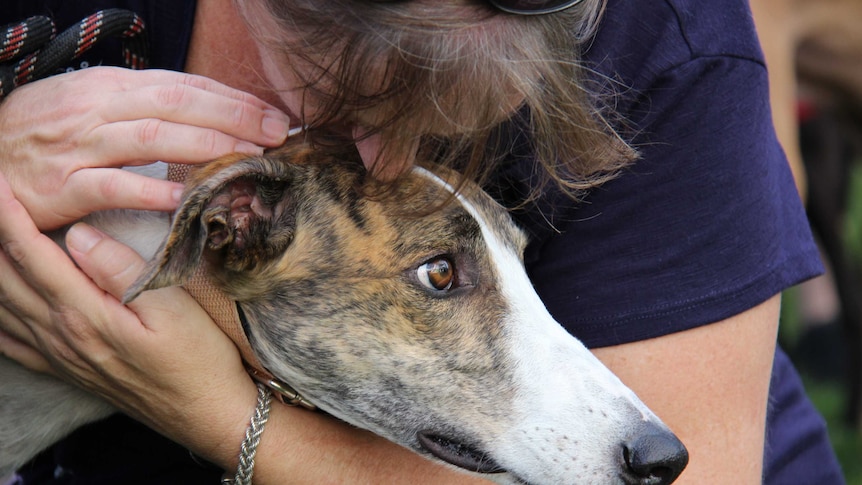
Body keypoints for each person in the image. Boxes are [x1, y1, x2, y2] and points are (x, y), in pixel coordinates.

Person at [0, 0, 845, 484]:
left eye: (444, 121)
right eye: (361, 102)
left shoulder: (667, 47)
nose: (391, 156)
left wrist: (222, 411)